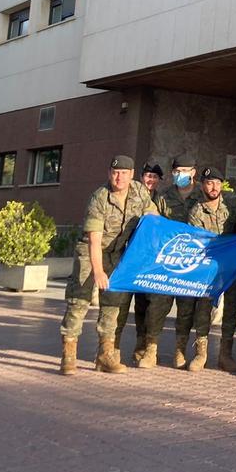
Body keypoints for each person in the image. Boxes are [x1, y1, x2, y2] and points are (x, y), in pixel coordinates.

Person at [58, 155, 158, 375]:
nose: (118, 177)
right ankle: (68, 355)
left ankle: (105, 355)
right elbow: (94, 239)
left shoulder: (139, 192)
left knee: (113, 304)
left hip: (117, 253)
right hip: (90, 252)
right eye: (114, 173)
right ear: (109, 174)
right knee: (79, 301)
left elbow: (153, 219)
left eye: (123, 173)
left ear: (131, 175)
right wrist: (99, 271)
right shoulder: (100, 197)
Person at [149, 166, 236, 374]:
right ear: (203, 185)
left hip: (229, 265)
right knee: (201, 308)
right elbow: (194, 238)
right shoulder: (196, 209)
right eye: (209, 183)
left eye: (217, 182)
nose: (213, 187)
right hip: (203, 265)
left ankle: (226, 354)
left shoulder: (232, 202)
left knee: (232, 308)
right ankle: (200, 353)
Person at [142, 156, 206, 369]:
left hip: (191, 264)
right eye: (177, 171)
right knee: (157, 306)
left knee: (186, 309)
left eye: (185, 170)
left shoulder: (202, 195)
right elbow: (153, 225)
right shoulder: (164, 197)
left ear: (193, 172)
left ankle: (180, 351)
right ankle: (151, 350)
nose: (180, 174)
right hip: (166, 262)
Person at [115, 162, 164, 363]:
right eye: (147, 176)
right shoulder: (131, 195)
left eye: (154, 177)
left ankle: (145, 345)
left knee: (148, 303)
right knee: (126, 304)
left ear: (159, 180)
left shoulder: (162, 200)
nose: (150, 180)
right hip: (127, 259)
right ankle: (116, 347)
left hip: (151, 262)